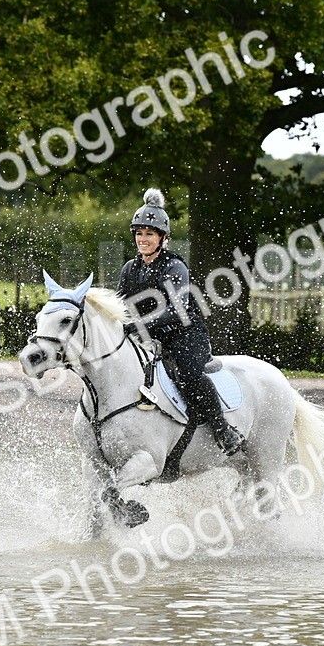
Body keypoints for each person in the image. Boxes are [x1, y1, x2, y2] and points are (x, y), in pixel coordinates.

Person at [117, 188, 245, 456]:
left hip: (185, 335)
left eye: (149, 234)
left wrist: (140, 324)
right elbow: (119, 306)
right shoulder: (130, 268)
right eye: (139, 233)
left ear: (162, 237)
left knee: (188, 374)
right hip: (150, 337)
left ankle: (223, 429)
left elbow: (177, 311)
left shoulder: (174, 267)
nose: (143, 239)